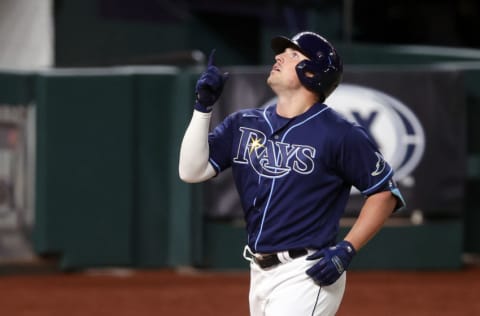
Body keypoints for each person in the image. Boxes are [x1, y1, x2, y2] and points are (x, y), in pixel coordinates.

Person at [178, 31, 405, 316]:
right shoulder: (245, 123)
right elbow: (191, 170)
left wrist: (348, 248)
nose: (279, 57)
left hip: (307, 273)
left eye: (293, 54)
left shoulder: (339, 133)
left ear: (313, 72)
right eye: (282, 53)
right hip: (259, 272)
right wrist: (202, 108)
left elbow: (384, 192)